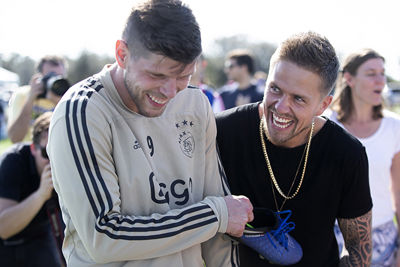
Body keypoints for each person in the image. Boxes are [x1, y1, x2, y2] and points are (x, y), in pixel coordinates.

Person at [47, 1, 253, 266]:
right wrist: (215, 216)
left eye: (183, 76)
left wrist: (220, 218)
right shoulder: (82, 111)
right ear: (122, 54)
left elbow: (220, 219)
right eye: (156, 74)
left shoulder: (194, 102)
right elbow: (104, 237)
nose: (169, 91)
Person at [216, 32, 373, 266]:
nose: (281, 107)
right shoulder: (222, 132)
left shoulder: (346, 154)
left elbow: (359, 245)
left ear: (323, 105)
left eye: (298, 99)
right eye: (275, 89)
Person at [327, 48, 400, 266]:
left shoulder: (394, 127)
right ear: (349, 78)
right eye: (371, 74)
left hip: (385, 241)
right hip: (334, 239)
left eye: (382, 73)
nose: (381, 80)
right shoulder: (326, 125)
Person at [0, 112, 65, 266]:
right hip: (5, 245)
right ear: (33, 148)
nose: (53, 160)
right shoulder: (14, 162)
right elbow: (4, 229)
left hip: (40, 237)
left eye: (59, 152)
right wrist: (41, 194)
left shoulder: (68, 166)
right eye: (46, 152)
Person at [7, 55, 68, 143]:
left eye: (60, 77)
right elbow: (15, 138)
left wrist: (58, 102)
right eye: (51, 76)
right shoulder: (23, 95)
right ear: (40, 77)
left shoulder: (69, 98)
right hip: (28, 151)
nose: (56, 81)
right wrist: (30, 99)